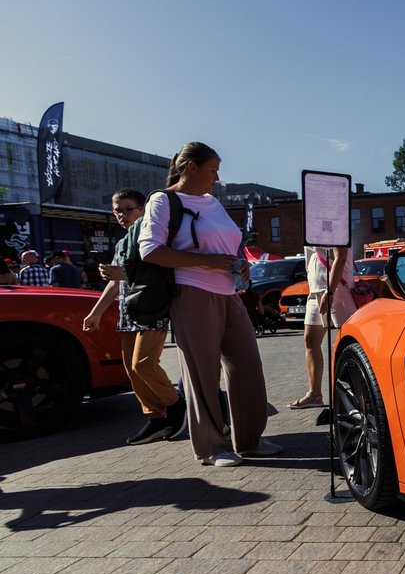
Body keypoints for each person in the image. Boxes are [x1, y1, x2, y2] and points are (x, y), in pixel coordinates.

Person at [138, 141, 280, 467]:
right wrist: (207, 262)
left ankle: (249, 440)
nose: (216, 177)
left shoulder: (212, 202)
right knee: (202, 373)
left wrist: (239, 263)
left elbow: (227, 245)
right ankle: (213, 447)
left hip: (229, 293)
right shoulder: (163, 201)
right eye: (213, 169)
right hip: (191, 293)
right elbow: (151, 250)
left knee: (247, 365)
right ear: (192, 167)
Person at [83, 189, 187, 445]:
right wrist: (95, 312)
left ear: (142, 210)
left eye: (128, 209)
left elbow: (160, 273)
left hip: (152, 309)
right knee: (131, 369)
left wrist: (122, 274)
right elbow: (114, 285)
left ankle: (176, 405)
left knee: (143, 364)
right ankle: (155, 418)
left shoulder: (152, 235)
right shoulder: (122, 243)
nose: (122, 215)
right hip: (129, 311)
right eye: (117, 210)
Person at [288, 245, 357, 409]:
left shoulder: (335, 222)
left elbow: (340, 257)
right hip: (315, 290)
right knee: (310, 340)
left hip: (338, 290)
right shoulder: (310, 225)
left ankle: (360, 394)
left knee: (351, 343)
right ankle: (314, 394)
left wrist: (330, 291)